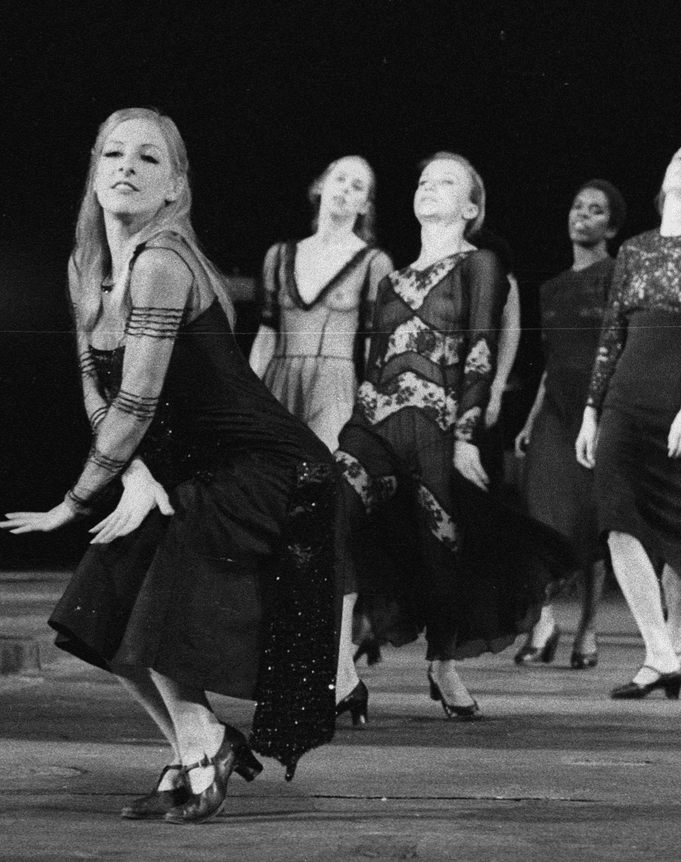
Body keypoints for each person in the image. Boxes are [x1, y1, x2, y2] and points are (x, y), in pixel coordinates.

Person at [4, 108, 340, 823]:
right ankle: (203, 746)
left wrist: (74, 500)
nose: (127, 166)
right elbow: (97, 389)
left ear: (174, 188)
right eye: (114, 154)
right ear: (95, 173)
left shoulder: (162, 263)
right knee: (100, 606)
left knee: (156, 607)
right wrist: (131, 474)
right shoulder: (86, 268)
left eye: (149, 159)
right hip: (196, 466)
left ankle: (200, 754)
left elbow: (136, 405)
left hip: (271, 468)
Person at [335, 152, 573, 719]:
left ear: (471, 207)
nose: (429, 189)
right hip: (377, 424)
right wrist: (352, 429)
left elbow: (480, 352)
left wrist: (466, 435)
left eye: (447, 183)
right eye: (423, 181)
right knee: (333, 512)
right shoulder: (390, 279)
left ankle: (442, 664)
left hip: (439, 429)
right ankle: (340, 671)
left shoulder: (480, 265)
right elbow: (373, 363)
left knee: (441, 552)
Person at [576, 141, 681, 699]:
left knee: (678, 532)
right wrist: (590, 412)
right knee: (617, 517)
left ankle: (670, 643)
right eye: (678, 158)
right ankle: (659, 651)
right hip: (627, 393)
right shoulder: (633, 249)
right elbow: (611, 335)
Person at [248, 155, 393, 727]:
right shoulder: (279, 256)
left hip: (336, 391)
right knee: (273, 527)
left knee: (327, 527)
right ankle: (308, 672)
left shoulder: (374, 262)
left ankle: (338, 671)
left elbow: (379, 350)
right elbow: (264, 334)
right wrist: (247, 403)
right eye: (340, 178)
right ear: (319, 187)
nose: (347, 190)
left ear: (366, 204)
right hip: (278, 387)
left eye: (361, 185)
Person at [513, 180, 628, 669]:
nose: (583, 215)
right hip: (556, 412)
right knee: (542, 519)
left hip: (600, 411)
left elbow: (622, 348)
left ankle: (587, 628)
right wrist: (531, 416)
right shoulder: (551, 288)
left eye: (596, 210)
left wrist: (610, 413)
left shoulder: (618, 275)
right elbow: (551, 360)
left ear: (612, 225)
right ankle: (544, 622)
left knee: (591, 523)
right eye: (577, 206)